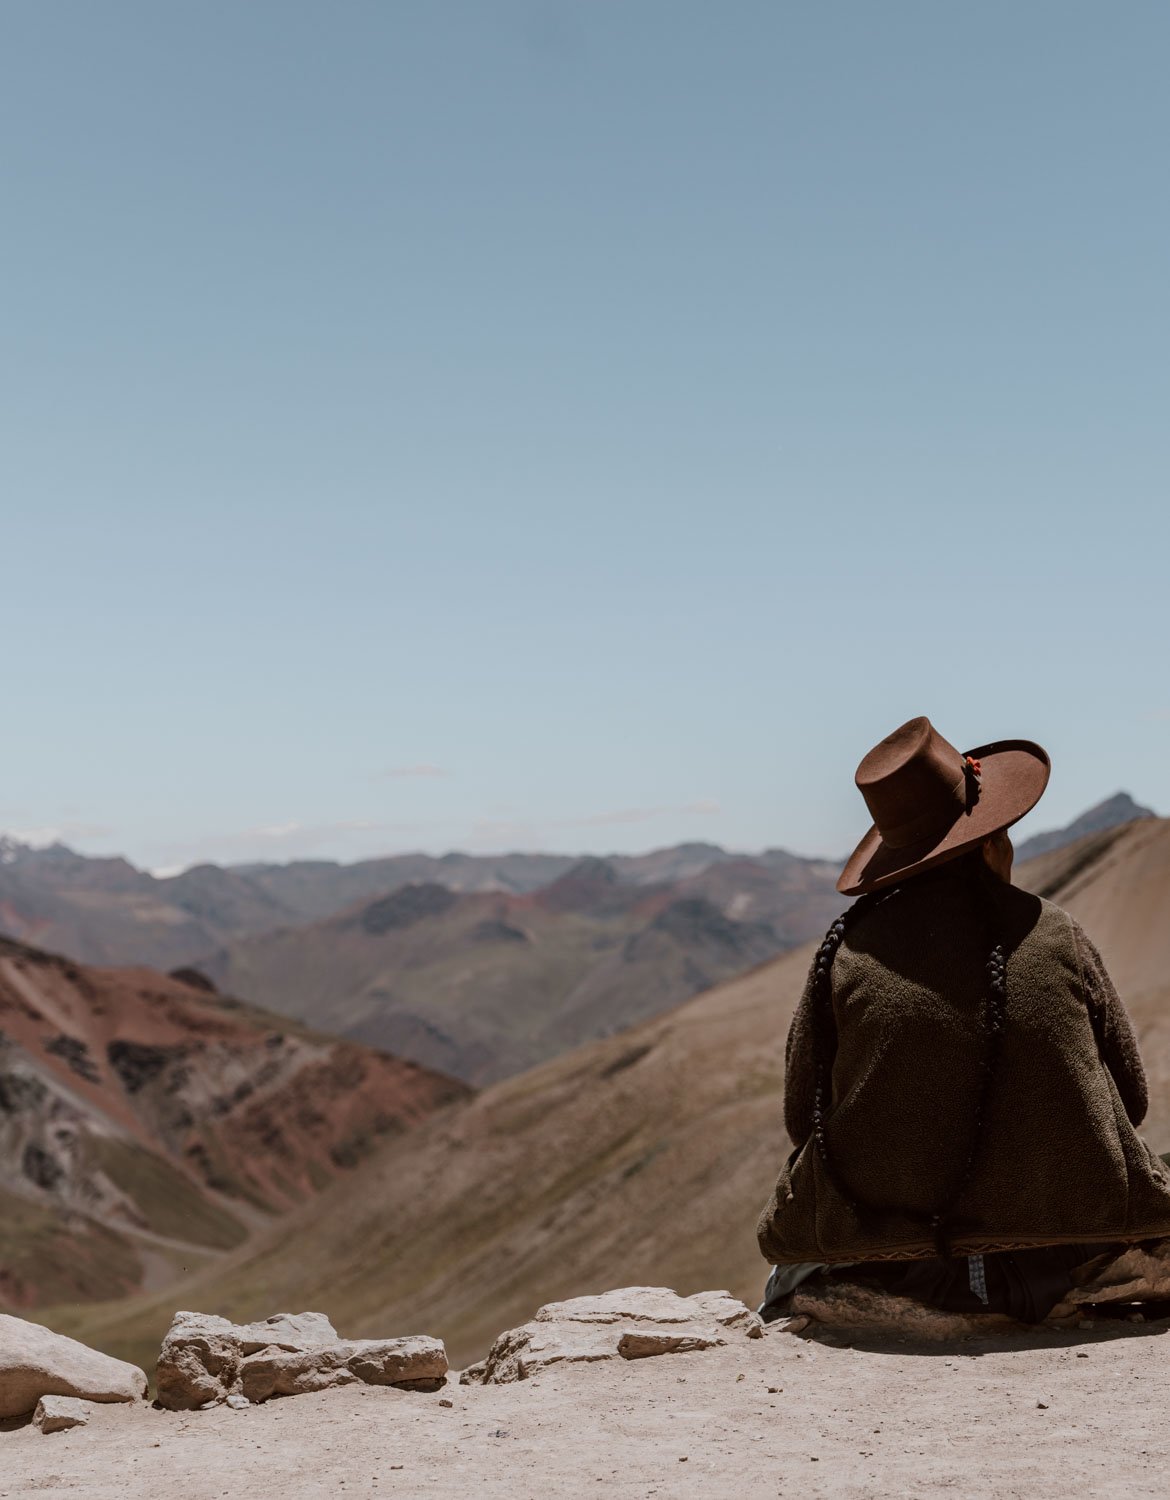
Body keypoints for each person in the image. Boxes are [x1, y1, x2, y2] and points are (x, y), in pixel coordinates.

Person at [756, 716, 1170, 1324]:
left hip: (886, 1264)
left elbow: (804, 1121)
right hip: (1064, 1254)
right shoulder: (1053, 930)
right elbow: (1128, 1101)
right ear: (987, 842)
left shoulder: (845, 954)